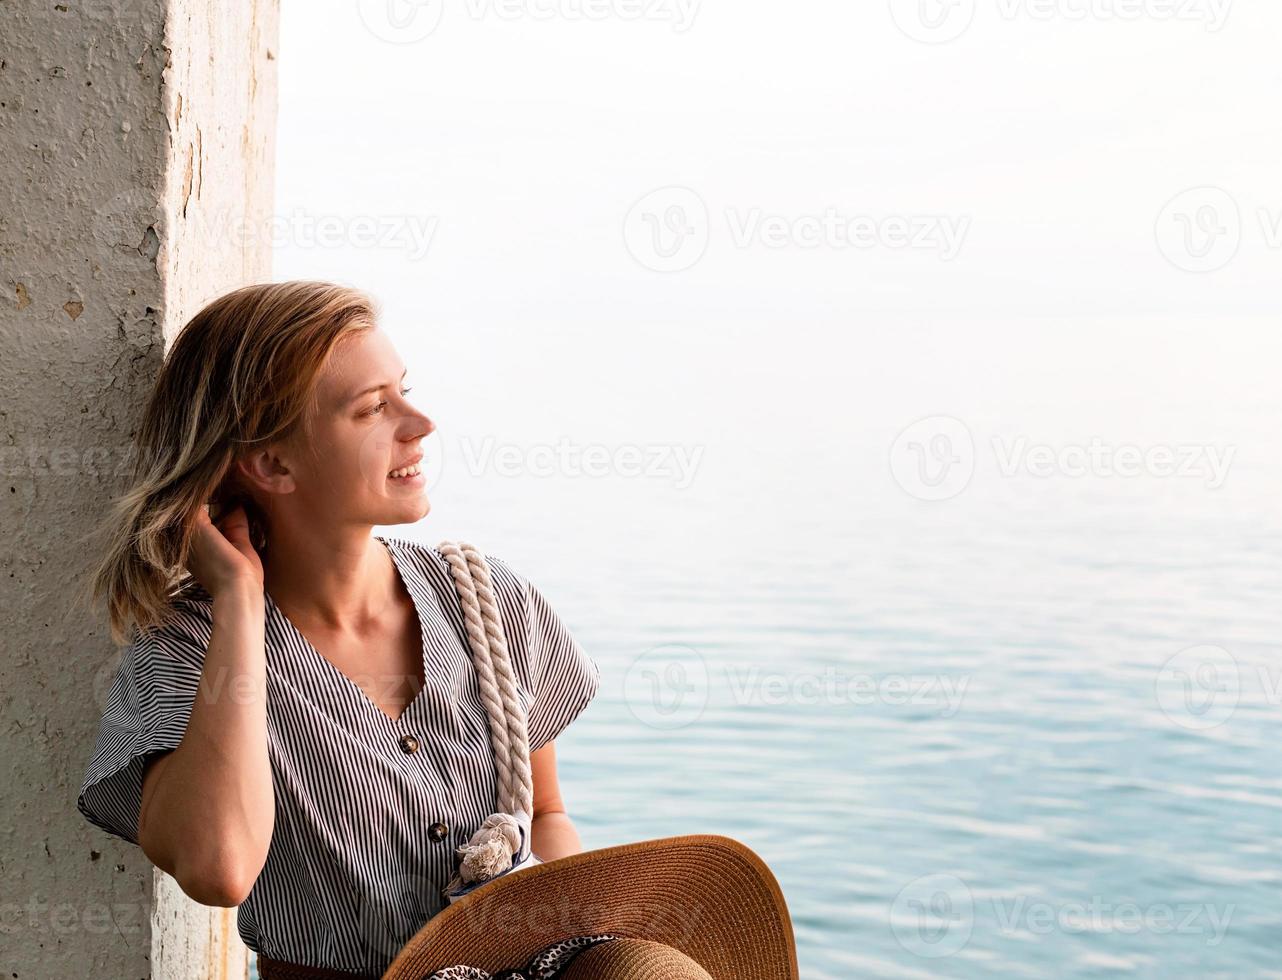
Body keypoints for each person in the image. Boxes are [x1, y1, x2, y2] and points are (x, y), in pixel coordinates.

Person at [74, 280, 600, 976]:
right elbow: (218, 868)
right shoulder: (189, 652)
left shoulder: (491, 601)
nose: (420, 423)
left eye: (403, 390)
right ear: (272, 463)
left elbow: (548, 816)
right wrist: (238, 598)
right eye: (373, 409)